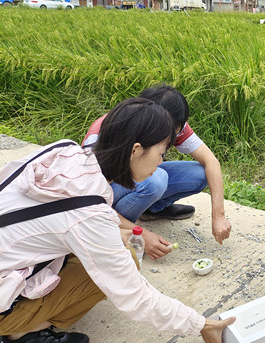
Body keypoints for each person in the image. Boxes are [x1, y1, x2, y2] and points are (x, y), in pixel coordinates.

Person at [0, 97, 235, 343]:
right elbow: (134, 297)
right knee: (124, 263)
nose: (161, 162)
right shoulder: (89, 215)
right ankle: (22, 332)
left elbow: (76, 212)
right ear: (135, 150)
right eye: (160, 153)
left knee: (109, 246)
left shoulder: (64, 150)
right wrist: (201, 324)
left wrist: (121, 230)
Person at [83, 85, 231, 260]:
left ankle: (151, 210)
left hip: (114, 185)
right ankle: (121, 230)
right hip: (99, 195)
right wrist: (140, 235)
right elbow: (88, 203)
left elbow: (211, 162)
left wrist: (218, 215)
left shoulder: (171, 125)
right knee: (156, 179)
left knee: (198, 174)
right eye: (161, 150)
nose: (162, 159)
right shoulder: (102, 139)